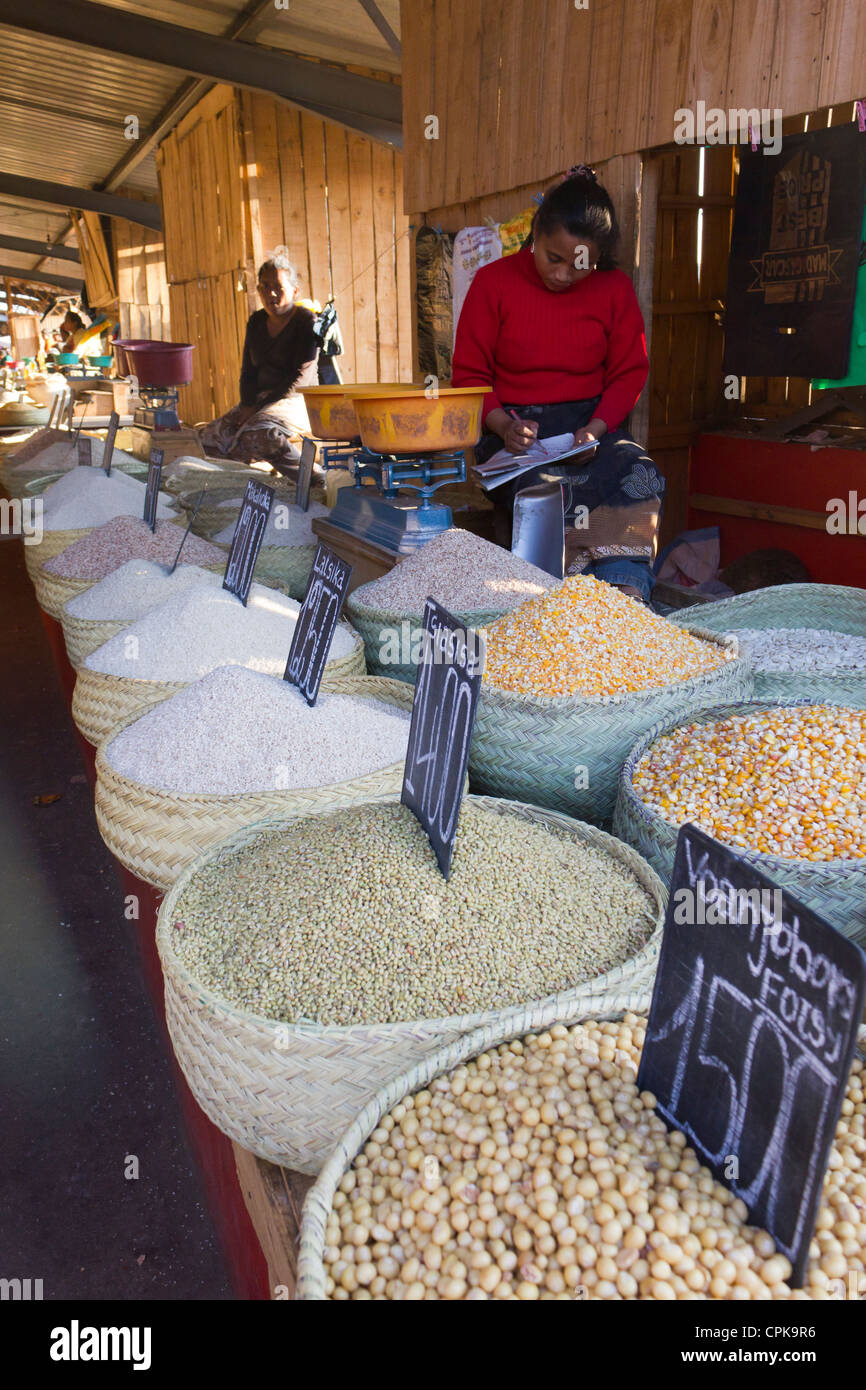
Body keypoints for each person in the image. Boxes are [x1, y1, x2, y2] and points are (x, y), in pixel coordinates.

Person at [452, 166, 664, 602]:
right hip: (514, 434)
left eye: (581, 264)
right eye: (554, 258)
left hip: (588, 428)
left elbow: (629, 372)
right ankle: (556, 602)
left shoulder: (614, 289)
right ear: (535, 234)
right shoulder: (494, 283)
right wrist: (501, 425)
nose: (565, 274)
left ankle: (624, 589)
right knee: (548, 492)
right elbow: (470, 375)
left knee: (641, 473)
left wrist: (597, 429)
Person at [200, 248, 319, 477]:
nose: (271, 293)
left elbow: (300, 379)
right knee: (210, 438)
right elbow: (248, 371)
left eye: (278, 287)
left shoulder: (306, 322)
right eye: (264, 286)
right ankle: (239, 484)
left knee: (258, 435)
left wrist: (257, 410)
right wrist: (246, 404)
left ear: (294, 290)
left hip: (297, 400)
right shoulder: (256, 321)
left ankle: (312, 479)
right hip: (260, 400)